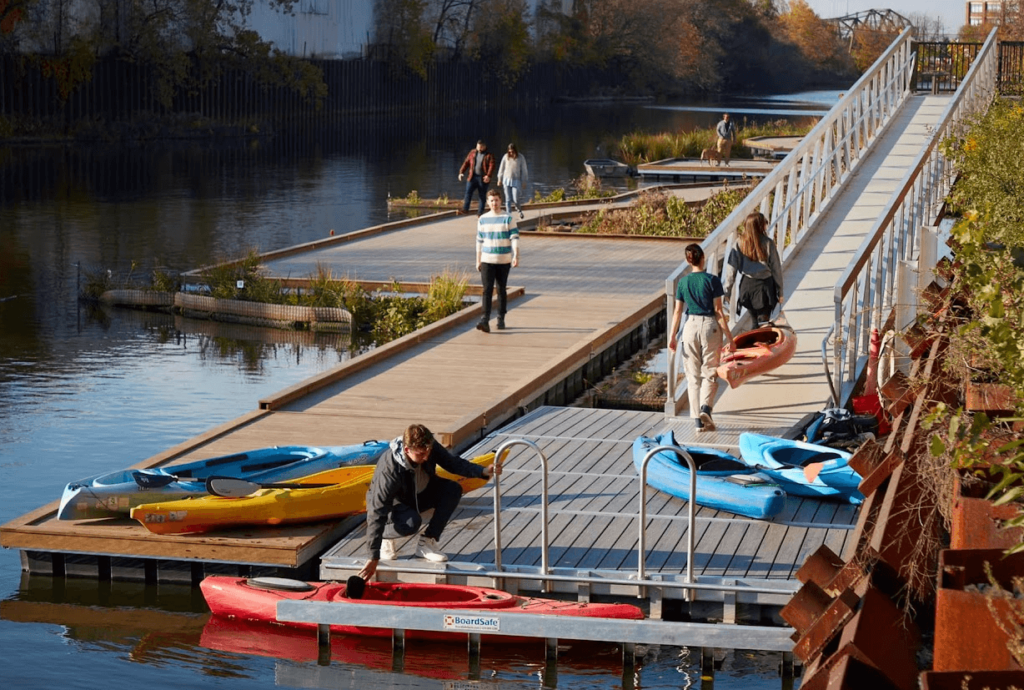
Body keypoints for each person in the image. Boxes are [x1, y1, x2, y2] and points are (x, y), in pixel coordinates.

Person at [358, 424, 502, 581]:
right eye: (421, 455)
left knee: (452, 489)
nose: (426, 458)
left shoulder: (429, 446)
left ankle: (427, 542)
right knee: (411, 523)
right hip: (396, 503)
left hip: (420, 492)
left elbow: (452, 463)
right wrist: (373, 556)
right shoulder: (389, 470)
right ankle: (386, 537)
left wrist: (482, 471)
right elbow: (377, 510)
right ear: (407, 450)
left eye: (428, 453)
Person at [668, 243, 736, 433]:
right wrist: (730, 338)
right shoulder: (712, 280)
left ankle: (697, 421)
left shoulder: (683, 282)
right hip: (710, 326)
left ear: (687, 261)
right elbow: (718, 311)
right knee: (710, 371)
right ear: (703, 258)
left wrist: (672, 336)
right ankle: (706, 408)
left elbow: (678, 312)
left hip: (689, 326)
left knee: (692, 376)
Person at [722, 211, 784, 328]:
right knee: (763, 322)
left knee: (755, 322)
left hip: (747, 287)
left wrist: (727, 291)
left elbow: (731, 269)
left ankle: (754, 343)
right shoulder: (768, 243)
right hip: (765, 286)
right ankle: (763, 344)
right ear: (760, 225)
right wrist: (780, 291)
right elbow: (776, 269)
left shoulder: (739, 243)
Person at [475, 188, 519, 333]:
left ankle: (500, 317)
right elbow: (479, 241)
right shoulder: (482, 219)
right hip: (487, 259)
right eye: (491, 200)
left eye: (497, 200)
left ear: (501, 201)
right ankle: (485, 320)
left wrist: (515, 255)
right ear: (487, 202)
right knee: (487, 290)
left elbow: (514, 238)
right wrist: (478, 260)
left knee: (501, 289)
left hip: (503, 259)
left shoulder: (508, 218)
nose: (494, 203)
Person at [458, 140, 496, 216]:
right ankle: (465, 209)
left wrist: (488, 175)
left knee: (482, 195)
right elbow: (466, 162)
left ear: (484, 147)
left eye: (481, 147)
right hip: (472, 176)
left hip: (482, 178)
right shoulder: (472, 152)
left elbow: (492, 166)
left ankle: (480, 212)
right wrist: (461, 172)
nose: (479, 148)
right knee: (468, 193)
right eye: (477, 146)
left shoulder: (489, 155)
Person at [497, 143, 529, 219]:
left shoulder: (520, 157)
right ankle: (509, 215)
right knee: (508, 199)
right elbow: (501, 168)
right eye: (509, 152)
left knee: (515, 198)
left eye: (512, 151)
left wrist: (524, 181)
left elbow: (524, 170)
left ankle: (519, 210)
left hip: (516, 180)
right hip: (506, 180)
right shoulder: (505, 157)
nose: (511, 153)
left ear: (515, 151)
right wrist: (499, 179)